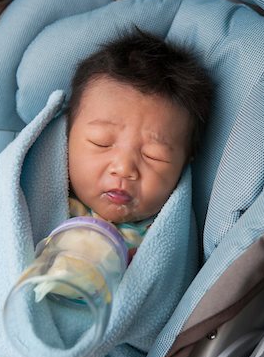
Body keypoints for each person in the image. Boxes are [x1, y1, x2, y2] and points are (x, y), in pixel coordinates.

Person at [67, 30, 212, 254]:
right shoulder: (36, 203)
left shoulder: (164, 243)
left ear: (184, 162)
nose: (124, 169)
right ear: (68, 136)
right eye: (102, 143)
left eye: (154, 155)